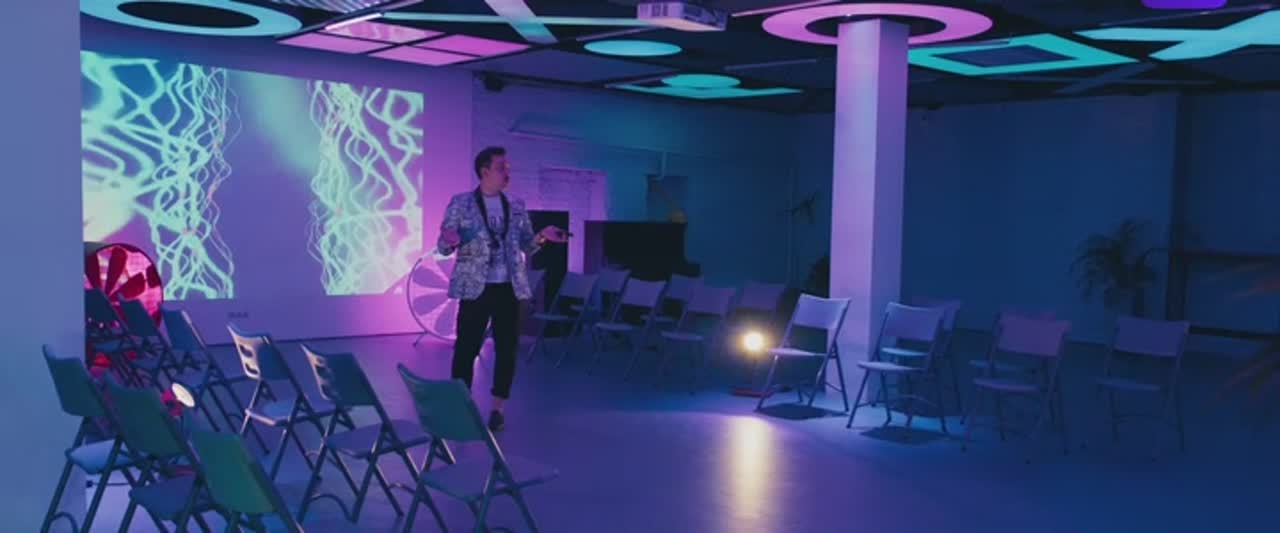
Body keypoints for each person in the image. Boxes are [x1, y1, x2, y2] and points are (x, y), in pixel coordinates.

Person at [437, 146, 567, 431]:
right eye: (501, 167)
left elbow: (527, 245)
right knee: (466, 348)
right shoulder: (461, 203)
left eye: (508, 167)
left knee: (507, 350)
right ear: (484, 171)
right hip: (476, 287)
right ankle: (461, 406)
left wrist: (543, 236)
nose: (507, 172)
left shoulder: (516, 205)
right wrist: (449, 240)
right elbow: (443, 246)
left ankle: (498, 409)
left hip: (509, 288)